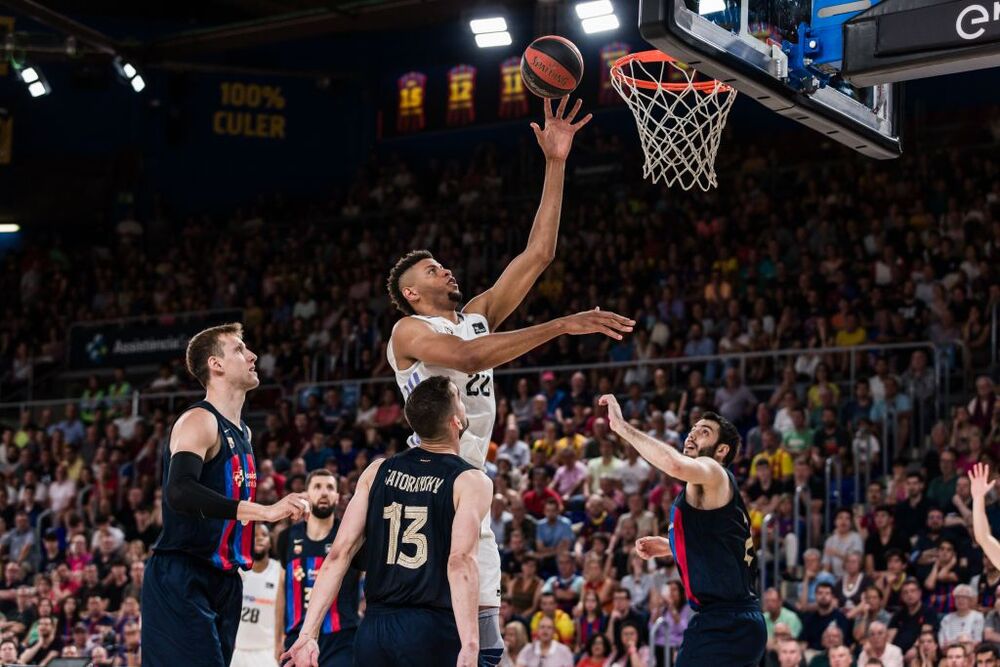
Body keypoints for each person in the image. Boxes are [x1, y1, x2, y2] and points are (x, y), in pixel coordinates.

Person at [385, 97, 628, 654]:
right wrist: (563, 324)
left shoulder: (477, 316)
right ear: (411, 294)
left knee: (486, 638)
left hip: (473, 477)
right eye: (430, 269)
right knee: (435, 633)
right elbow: (470, 360)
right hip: (429, 480)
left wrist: (556, 163)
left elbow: (539, 253)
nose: (444, 267)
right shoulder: (408, 334)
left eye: (440, 263)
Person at [281, 376, 493, 667]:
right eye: (460, 399)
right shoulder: (470, 480)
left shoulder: (376, 470)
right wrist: (470, 644)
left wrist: (307, 633)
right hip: (430, 628)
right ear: (456, 421)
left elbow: (338, 554)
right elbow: (460, 561)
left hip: (375, 629)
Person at [143, 324, 310, 667]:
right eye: (239, 350)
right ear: (216, 364)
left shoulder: (244, 432)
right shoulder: (199, 420)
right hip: (183, 573)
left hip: (226, 580)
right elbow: (180, 491)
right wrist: (262, 512)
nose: (252, 356)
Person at [599, 395, 766, 666]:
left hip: (725, 622)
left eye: (705, 432)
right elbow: (720, 546)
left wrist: (621, 427)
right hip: (734, 621)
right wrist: (669, 545)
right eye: (694, 428)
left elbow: (674, 465)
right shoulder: (708, 491)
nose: (693, 434)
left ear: (721, 450)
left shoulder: (713, 471)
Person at [277, 470, 360, 667]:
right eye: (317, 487)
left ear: (337, 497)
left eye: (330, 487)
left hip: (342, 639)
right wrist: (277, 637)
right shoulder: (286, 537)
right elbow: (282, 589)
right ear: (306, 495)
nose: (324, 492)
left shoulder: (351, 536)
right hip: (296, 638)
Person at [232, 524, 282, 667]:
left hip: (267, 651)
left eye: (264, 535)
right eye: (254, 535)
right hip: (237, 650)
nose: (259, 538)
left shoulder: (279, 571)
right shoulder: (237, 570)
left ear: (270, 543)